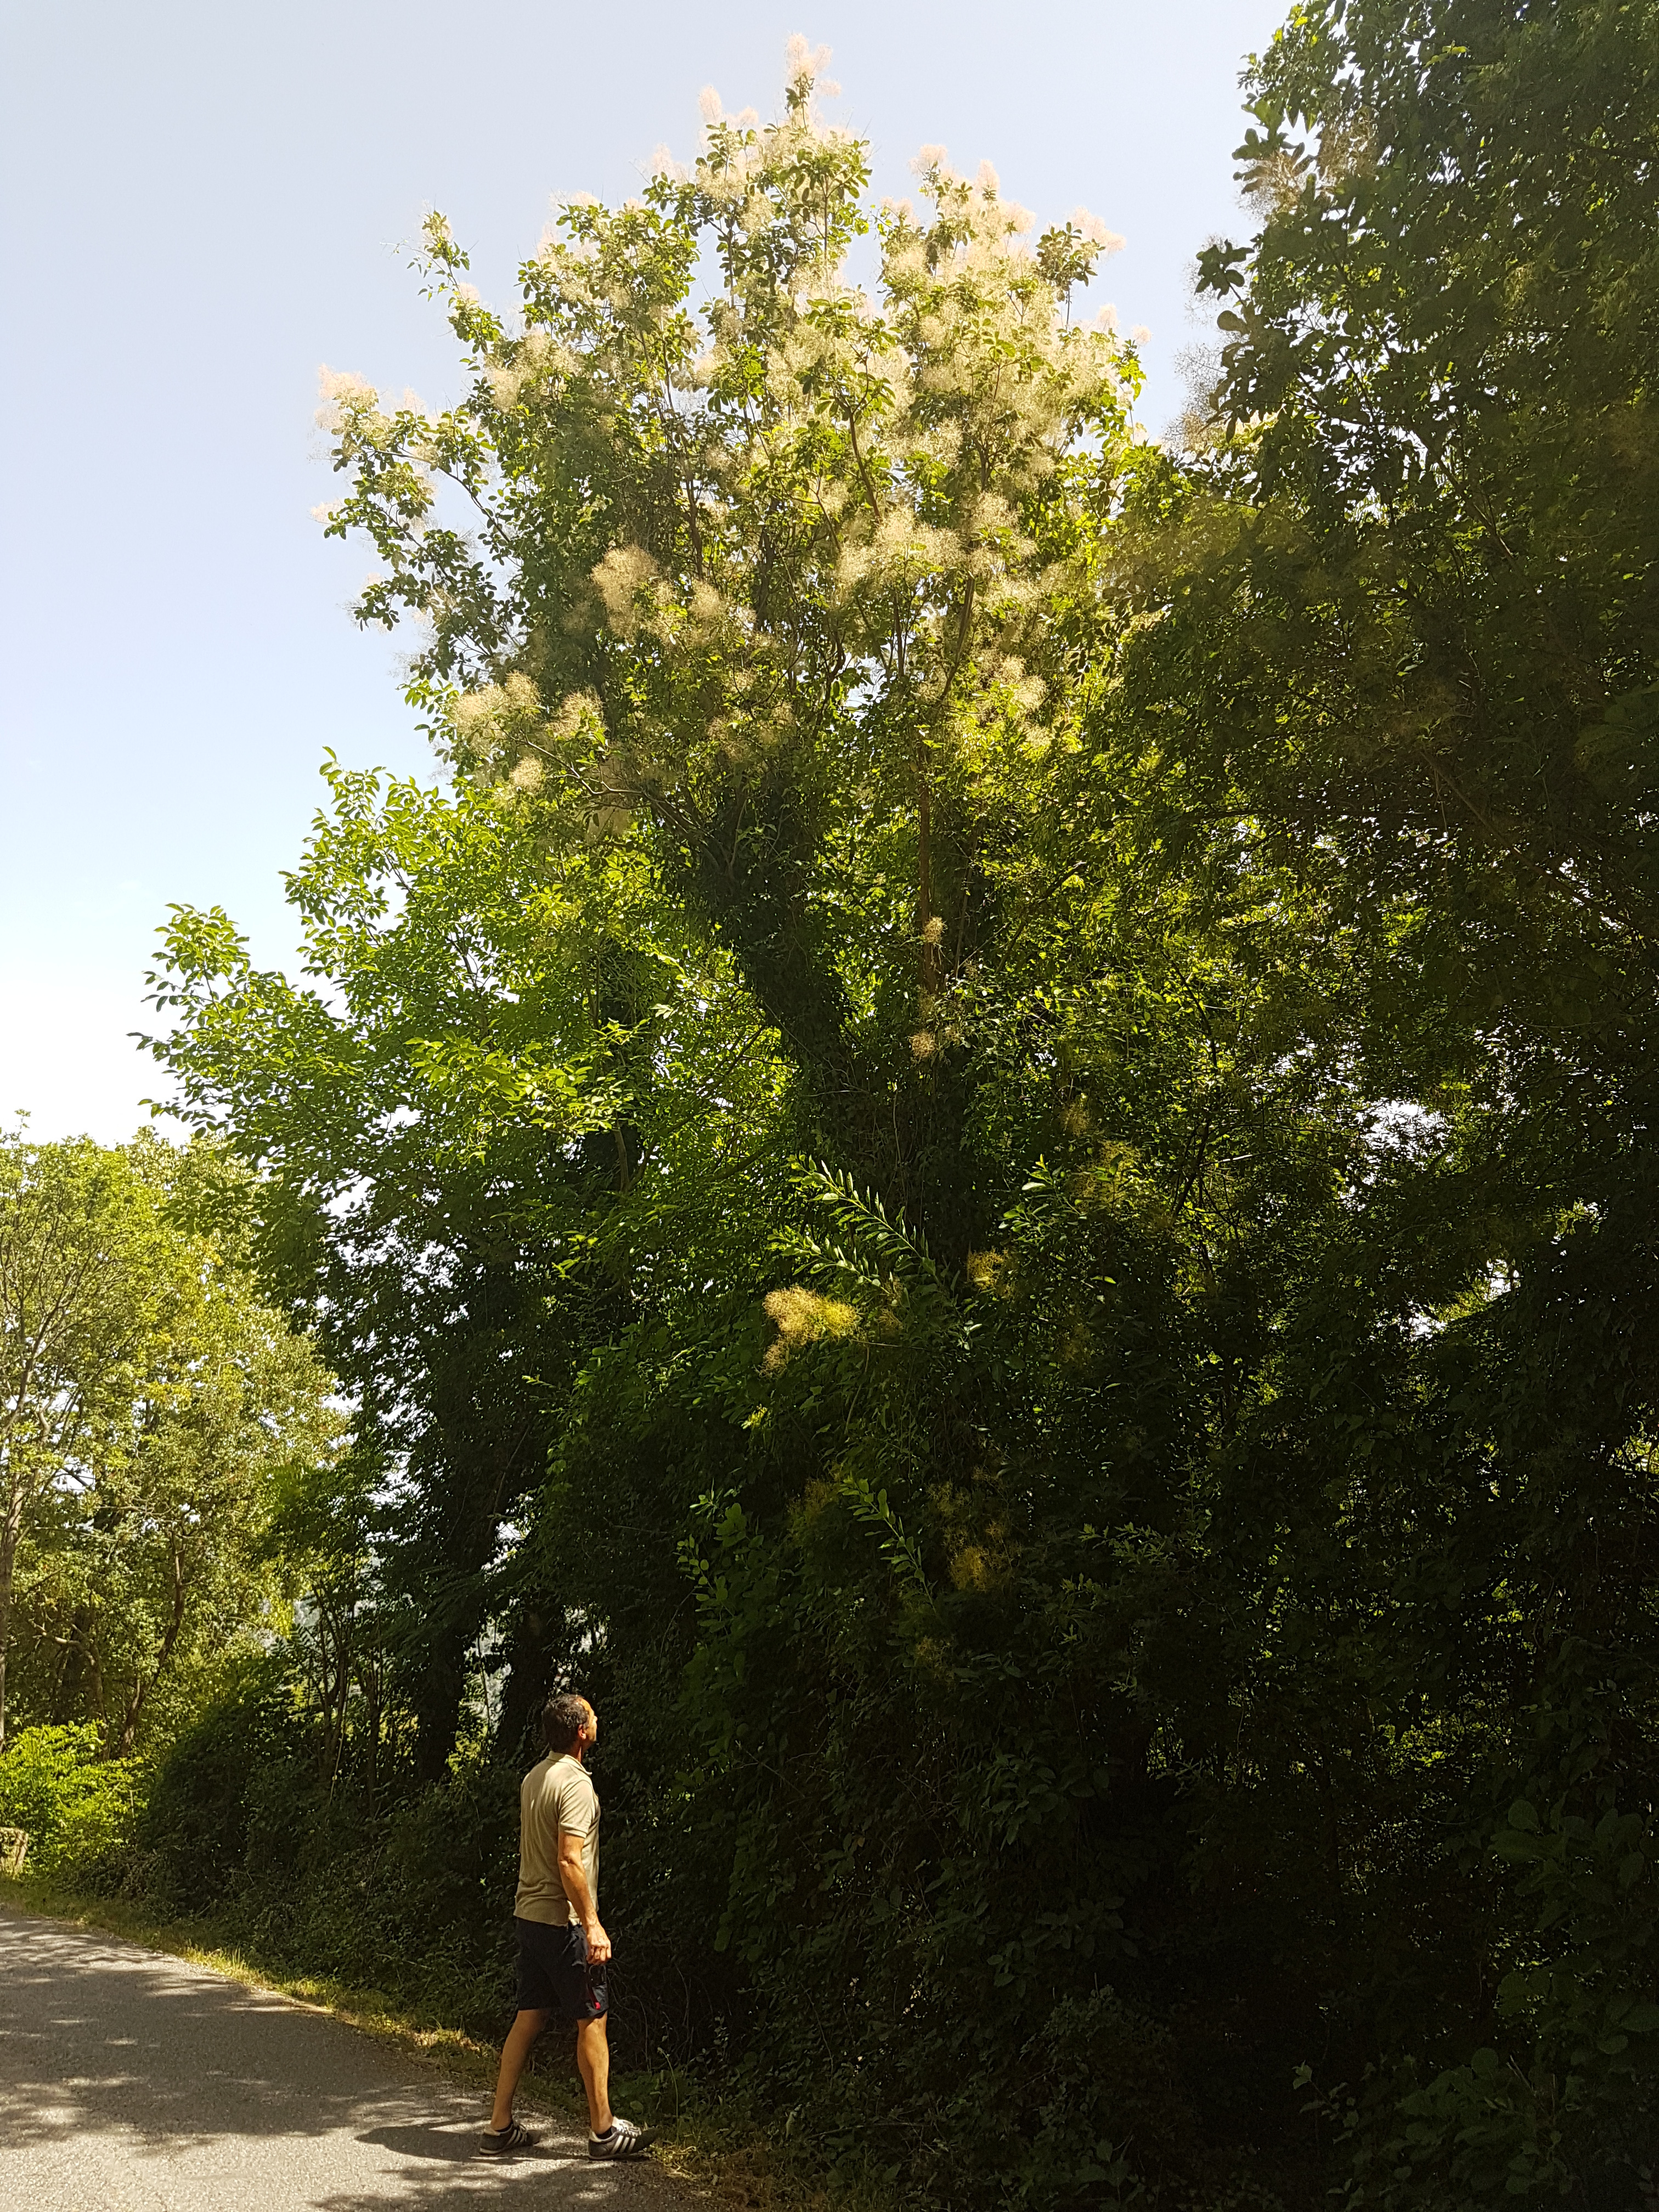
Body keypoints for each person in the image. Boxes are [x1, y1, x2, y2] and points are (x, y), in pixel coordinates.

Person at [478, 1690, 653, 2160]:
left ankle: (498, 2127)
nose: (598, 1719)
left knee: (529, 2015)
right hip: (563, 1922)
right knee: (592, 2018)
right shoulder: (574, 1784)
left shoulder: (534, 1777)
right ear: (582, 1732)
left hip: (529, 1917)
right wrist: (592, 1925)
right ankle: (603, 2133)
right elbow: (569, 1861)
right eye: (593, 1715)